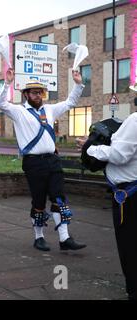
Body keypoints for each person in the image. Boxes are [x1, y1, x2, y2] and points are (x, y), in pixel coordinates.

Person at [0, 68, 87, 252]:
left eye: (40, 92)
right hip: (33, 163)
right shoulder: (19, 111)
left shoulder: (49, 109)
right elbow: (1, 103)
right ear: (26, 94)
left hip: (53, 161)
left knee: (59, 198)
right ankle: (39, 237)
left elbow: (70, 102)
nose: (38, 95)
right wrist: (7, 83)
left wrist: (78, 84)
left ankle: (64, 238)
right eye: (35, 92)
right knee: (38, 201)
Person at [76, 88, 137, 300]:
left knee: (130, 244)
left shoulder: (136, 119)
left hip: (129, 196)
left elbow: (120, 155)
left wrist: (90, 148)